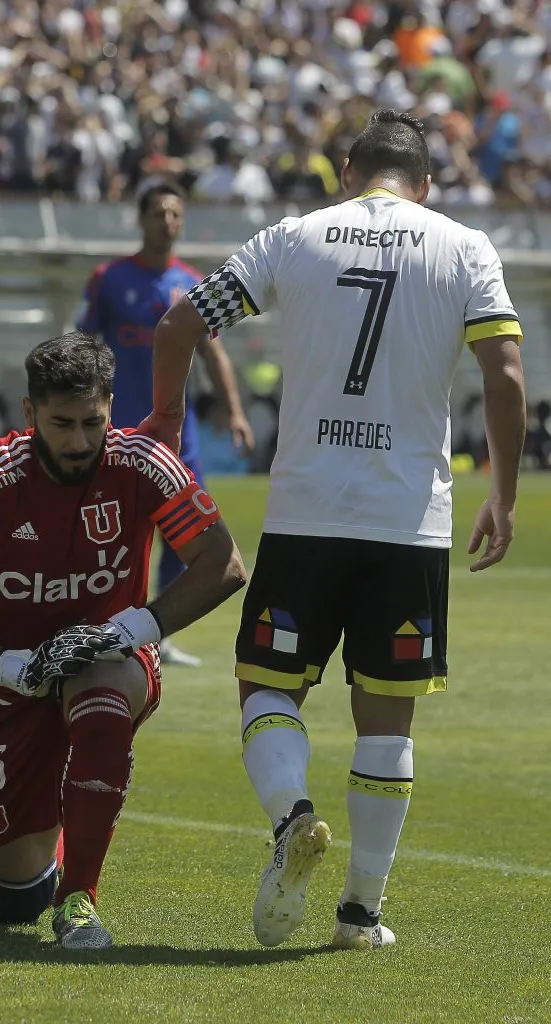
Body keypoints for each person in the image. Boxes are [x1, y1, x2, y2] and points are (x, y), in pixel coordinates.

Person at [145, 110, 526, 950]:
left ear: (347, 169)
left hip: (305, 515)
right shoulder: (465, 247)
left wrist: (167, 421)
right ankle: (360, 913)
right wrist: (501, 492)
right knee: (385, 719)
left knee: (268, 690)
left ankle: (291, 819)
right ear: (425, 183)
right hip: (409, 523)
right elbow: (502, 373)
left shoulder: (291, 237)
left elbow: (178, 326)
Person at [0, 331, 246, 951]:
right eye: (62, 424)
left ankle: (79, 900)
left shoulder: (142, 461)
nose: (80, 441)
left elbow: (222, 563)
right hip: (10, 681)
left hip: (111, 653)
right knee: (11, 901)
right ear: (30, 413)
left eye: (93, 421)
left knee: (101, 693)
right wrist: (9, 668)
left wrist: (132, 629)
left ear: (111, 405)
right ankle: (58, 843)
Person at [76, 178, 254, 667]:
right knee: (108, 528)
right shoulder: (108, 278)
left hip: (178, 435)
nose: (168, 222)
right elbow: (82, 346)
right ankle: (99, 623)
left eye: (176, 214)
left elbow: (214, 355)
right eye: (159, 213)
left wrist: (235, 410)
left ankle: (160, 631)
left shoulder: (194, 282)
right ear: (142, 219)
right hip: (117, 431)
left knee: (185, 528)